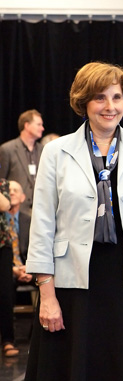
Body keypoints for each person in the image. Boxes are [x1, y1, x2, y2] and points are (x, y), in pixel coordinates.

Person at [24, 61, 123, 381]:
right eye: (100, 98)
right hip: (75, 282)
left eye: (117, 97)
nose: (110, 107)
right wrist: (46, 294)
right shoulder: (56, 151)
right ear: (83, 102)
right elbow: (43, 223)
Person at [0, 109, 45, 216]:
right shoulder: (7, 149)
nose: (42, 128)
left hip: (39, 211)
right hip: (15, 213)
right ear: (27, 125)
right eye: (39, 124)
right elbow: (2, 181)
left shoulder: (43, 150)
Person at [0, 180, 15, 356]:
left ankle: (8, 340)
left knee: (5, 293)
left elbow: (5, 205)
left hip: (2, 245)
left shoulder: (2, 183)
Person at [7, 180, 31, 283]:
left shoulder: (30, 221)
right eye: (8, 190)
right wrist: (12, 270)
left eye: (15, 190)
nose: (11, 192)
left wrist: (29, 269)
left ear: (23, 197)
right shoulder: (1, 222)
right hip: (6, 271)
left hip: (28, 269)